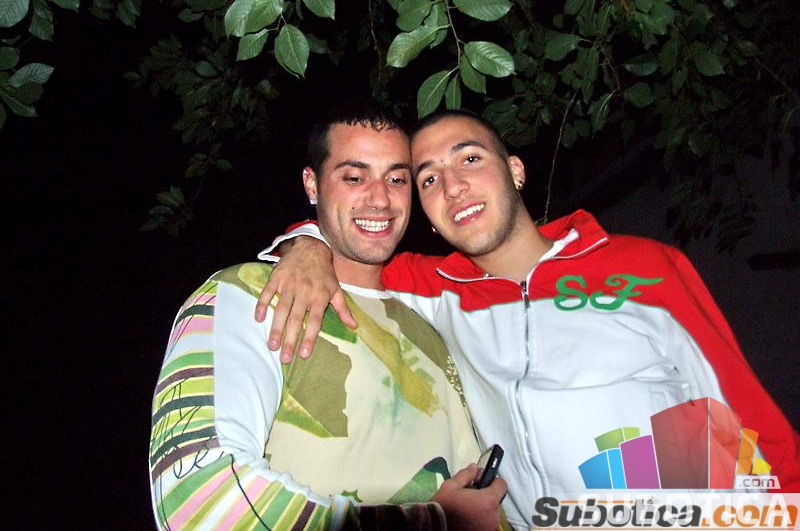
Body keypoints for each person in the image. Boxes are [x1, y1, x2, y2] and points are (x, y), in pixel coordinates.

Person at [255, 110, 800, 530]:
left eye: (470, 160)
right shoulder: (433, 290)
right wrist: (307, 244)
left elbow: (749, 417)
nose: (453, 186)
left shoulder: (643, 265)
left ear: (515, 171)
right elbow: (355, 243)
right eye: (428, 180)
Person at [148, 107, 508, 530]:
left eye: (396, 179)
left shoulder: (433, 320)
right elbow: (198, 502)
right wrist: (440, 521)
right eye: (354, 178)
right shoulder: (246, 294)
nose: (380, 199)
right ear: (312, 184)